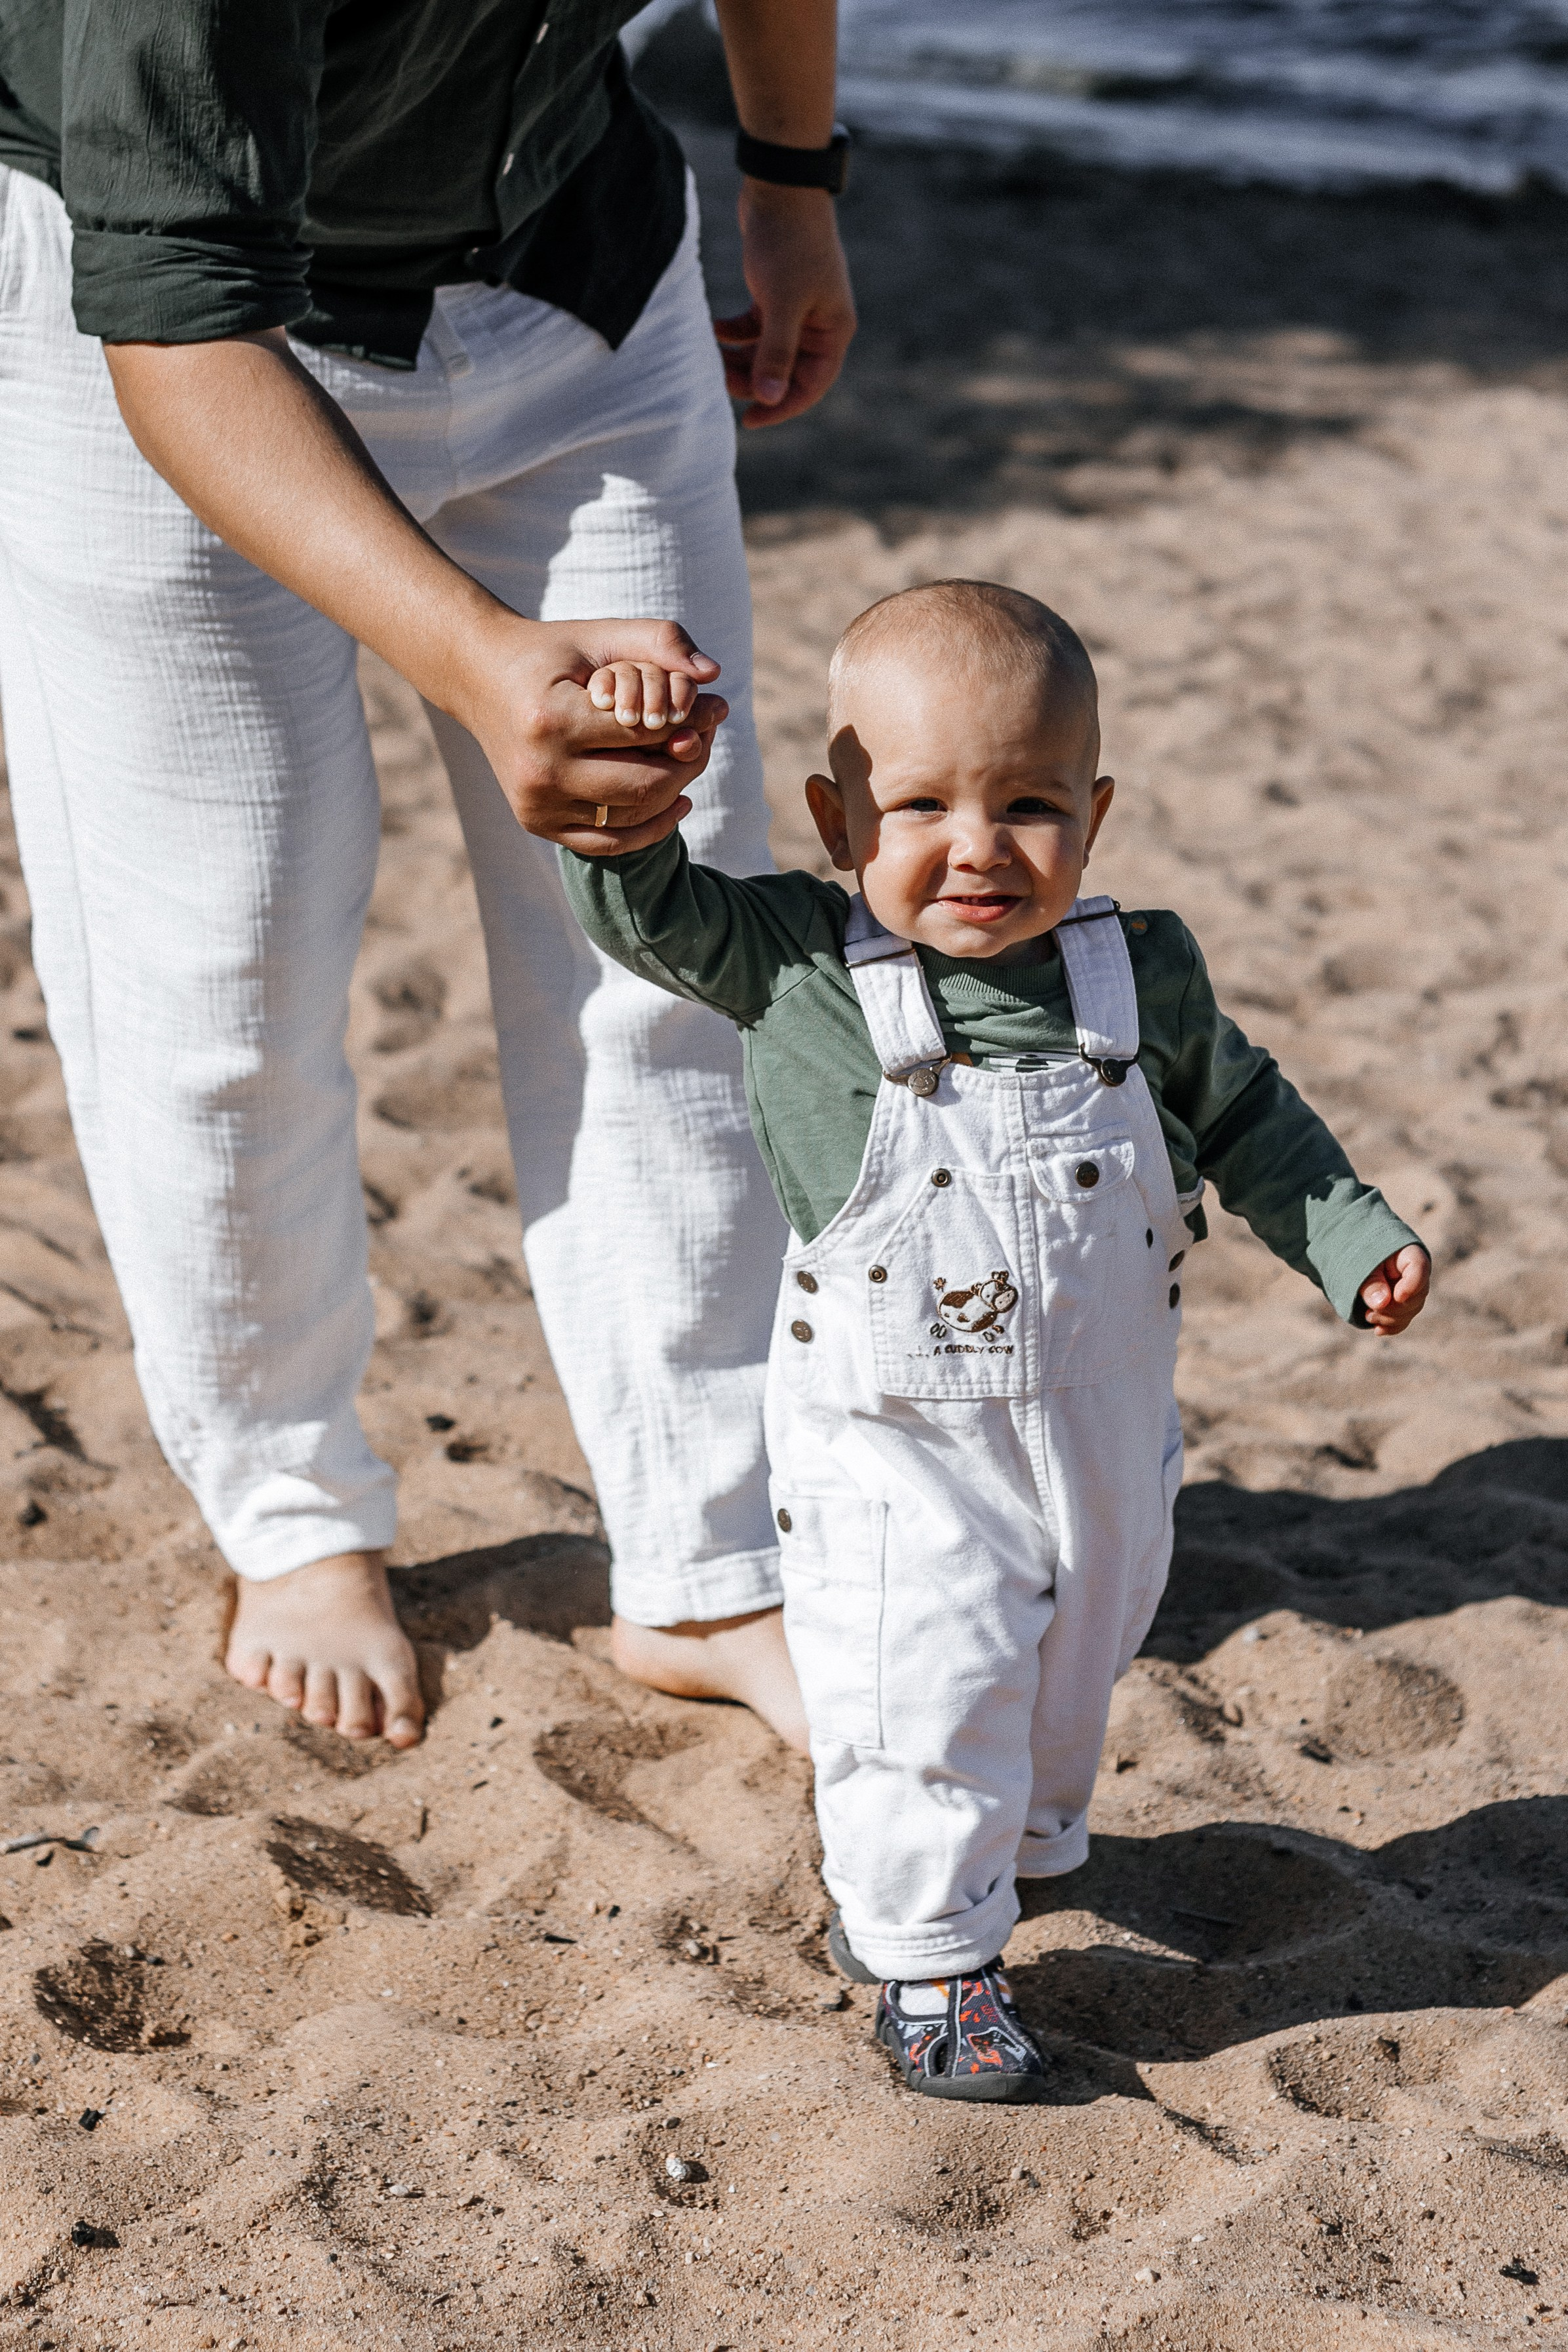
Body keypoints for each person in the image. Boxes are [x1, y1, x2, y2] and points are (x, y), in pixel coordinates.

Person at [0, 1, 856, 1752]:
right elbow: (177, 306)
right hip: (159, 324)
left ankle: (710, 1559)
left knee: (677, 943)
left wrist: (790, 180)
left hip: (576, 277)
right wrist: (478, 660)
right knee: (226, 968)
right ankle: (292, 1517)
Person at [559, 578, 1431, 2100]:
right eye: (919, 807)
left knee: (1070, 1662)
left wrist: (1347, 1237)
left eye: (1028, 804)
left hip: (1100, 1424)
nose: (977, 847)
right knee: (922, 1671)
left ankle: (989, 1858)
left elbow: (1245, 1115)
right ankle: (926, 1958)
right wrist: (627, 812)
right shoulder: (794, 962)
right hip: (890, 1439)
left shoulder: (1134, 974)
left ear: (1094, 814)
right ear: (836, 819)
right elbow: (647, 915)